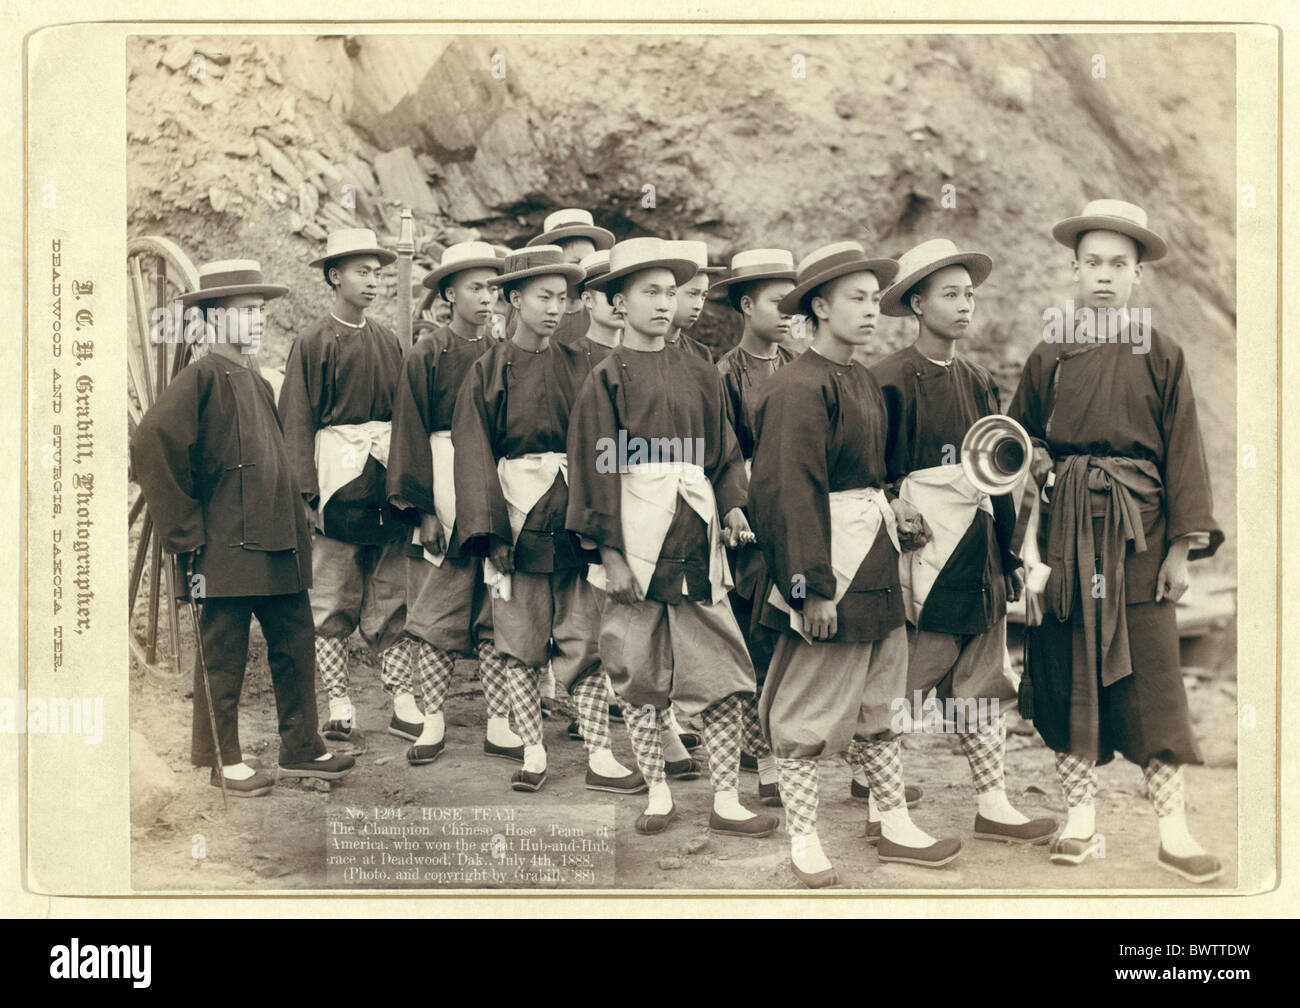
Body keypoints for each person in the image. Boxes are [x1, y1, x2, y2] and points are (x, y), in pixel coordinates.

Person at [1009, 200, 1224, 883]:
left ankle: (1174, 829)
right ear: (1074, 271)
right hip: (1067, 533)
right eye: (1092, 263)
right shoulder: (1048, 355)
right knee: (1066, 664)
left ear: (1139, 277)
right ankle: (1080, 819)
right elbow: (1018, 440)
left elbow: (1185, 454)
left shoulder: (1163, 355)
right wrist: (1037, 459)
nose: (1104, 276)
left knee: (1155, 676)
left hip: (1139, 536)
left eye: (1119, 265)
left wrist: (1181, 550)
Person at [751, 241, 961, 887]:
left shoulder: (864, 381)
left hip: (875, 558)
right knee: (810, 708)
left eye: (876, 299)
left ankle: (893, 823)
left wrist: (897, 505)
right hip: (829, 567)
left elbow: (876, 474)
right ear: (820, 305)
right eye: (858, 300)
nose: (873, 311)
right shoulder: (795, 386)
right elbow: (787, 491)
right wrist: (809, 588)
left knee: (883, 702)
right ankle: (805, 838)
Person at [567, 236, 779, 839]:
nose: (663, 304)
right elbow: (595, 470)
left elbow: (724, 450)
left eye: (669, 292)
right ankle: (657, 789)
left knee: (720, 670)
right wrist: (612, 556)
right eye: (648, 293)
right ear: (617, 301)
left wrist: (734, 506)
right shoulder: (604, 380)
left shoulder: (700, 369)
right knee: (639, 672)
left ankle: (726, 795)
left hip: (695, 535)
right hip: (635, 541)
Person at [131, 259, 354, 796]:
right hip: (224, 550)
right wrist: (187, 534)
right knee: (223, 657)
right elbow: (149, 444)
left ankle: (302, 747)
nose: (256, 320)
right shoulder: (201, 376)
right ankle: (222, 760)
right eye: (244, 311)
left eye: (259, 310)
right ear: (211, 319)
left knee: (295, 644)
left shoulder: (256, 379)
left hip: (279, 547)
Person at [874, 238, 1057, 847]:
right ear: (917, 303)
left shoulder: (979, 382)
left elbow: (997, 478)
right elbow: (868, 470)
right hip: (920, 549)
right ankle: (887, 810)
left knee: (981, 680)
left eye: (969, 294)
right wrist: (894, 503)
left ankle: (994, 802)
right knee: (905, 682)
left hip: (977, 547)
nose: (963, 305)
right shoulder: (888, 381)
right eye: (949, 294)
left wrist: (1007, 557)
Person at [453, 246, 644, 794]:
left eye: (563, 298)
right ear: (514, 299)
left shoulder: (583, 365)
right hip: (516, 516)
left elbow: (601, 445)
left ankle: (600, 753)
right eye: (544, 297)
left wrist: (602, 526)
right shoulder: (487, 371)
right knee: (519, 638)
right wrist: (490, 531)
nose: (556, 309)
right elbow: (473, 453)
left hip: (575, 514)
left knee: (583, 637)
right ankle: (533, 750)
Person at [386, 241, 525, 766]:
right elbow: (410, 431)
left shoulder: (502, 354)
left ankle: (499, 720)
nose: (487, 298)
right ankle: (434, 718)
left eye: (494, 287)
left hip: (491, 479)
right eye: (475, 287)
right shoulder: (427, 354)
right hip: (442, 478)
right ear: (448, 293)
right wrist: (422, 510)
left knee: (495, 605)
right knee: (438, 608)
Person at [278, 228, 417, 743]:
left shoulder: (388, 341)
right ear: (335, 276)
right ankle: (339, 703)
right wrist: (307, 495)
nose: (373, 281)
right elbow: (296, 422)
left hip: (382, 481)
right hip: (338, 483)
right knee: (332, 598)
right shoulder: (312, 343)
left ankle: (402, 700)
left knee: (390, 596)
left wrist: (405, 485)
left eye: (378, 272)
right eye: (362, 271)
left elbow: (404, 418)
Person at [710, 248, 799, 805]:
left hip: (794, 510)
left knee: (790, 627)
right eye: (776, 301)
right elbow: (721, 453)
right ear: (746, 305)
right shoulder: (722, 374)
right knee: (753, 632)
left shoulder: (797, 366)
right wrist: (733, 508)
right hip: (748, 515)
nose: (788, 311)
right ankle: (761, 757)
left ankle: (783, 742)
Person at [524, 208, 615, 346]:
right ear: (554, 266)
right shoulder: (531, 313)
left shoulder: (605, 313)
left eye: (590, 260)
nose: (585, 270)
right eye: (576, 262)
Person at [663, 240, 721, 362]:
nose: (698, 306)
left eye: (703, 296)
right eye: (692, 293)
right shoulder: (634, 348)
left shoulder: (701, 354)